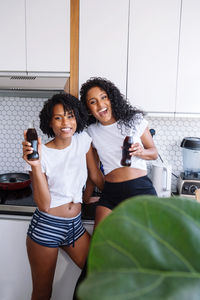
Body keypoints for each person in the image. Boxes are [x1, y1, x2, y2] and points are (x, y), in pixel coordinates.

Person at [22, 93, 104, 300]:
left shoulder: (83, 140)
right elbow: (43, 203)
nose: (65, 123)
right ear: (50, 122)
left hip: (75, 227)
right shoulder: (42, 154)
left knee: (100, 272)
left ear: (77, 118)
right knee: (42, 293)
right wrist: (36, 165)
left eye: (70, 116)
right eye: (58, 117)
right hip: (46, 226)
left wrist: (117, 197)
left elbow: (94, 175)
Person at [80, 77, 158, 228]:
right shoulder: (91, 132)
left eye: (103, 97)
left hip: (140, 189)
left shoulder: (134, 120)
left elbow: (154, 153)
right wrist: (86, 197)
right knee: (100, 245)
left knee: (143, 246)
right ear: (88, 109)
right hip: (111, 192)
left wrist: (141, 152)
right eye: (93, 102)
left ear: (111, 98)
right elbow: (94, 172)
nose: (100, 104)